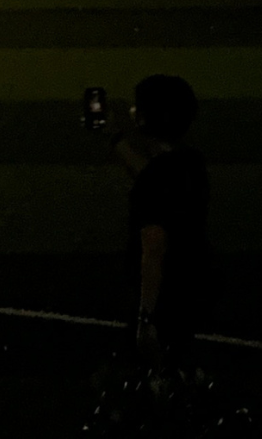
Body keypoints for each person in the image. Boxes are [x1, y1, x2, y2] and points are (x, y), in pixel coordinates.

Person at [111, 75, 210, 361]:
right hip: (192, 286)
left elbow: (153, 247)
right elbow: (155, 176)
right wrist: (115, 140)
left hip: (167, 300)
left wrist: (146, 319)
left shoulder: (156, 179)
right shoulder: (191, 163)